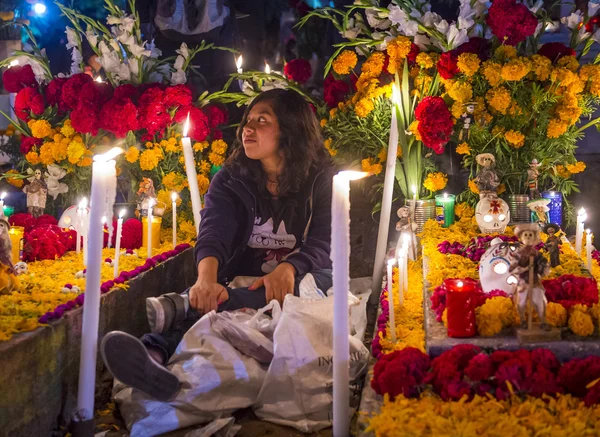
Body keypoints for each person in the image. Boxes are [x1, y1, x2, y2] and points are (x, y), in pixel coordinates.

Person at [101, 89, 336, 401]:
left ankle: (176, 312)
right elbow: (214, 232)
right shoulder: (231, 178)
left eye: (261, 120)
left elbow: (325, 242)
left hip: (305, 279)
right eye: (247, 120)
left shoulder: (323, 178)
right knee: (210, 298)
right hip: (239, 282)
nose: (247, 128)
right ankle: (152, 359)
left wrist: (289, 267)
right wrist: (205, 280)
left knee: (307, 284)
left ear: (290, 130)